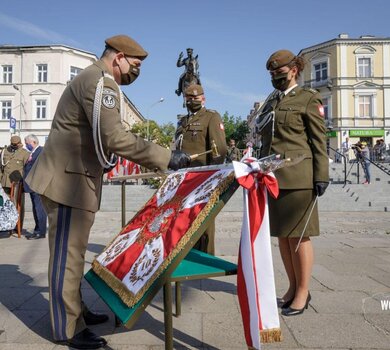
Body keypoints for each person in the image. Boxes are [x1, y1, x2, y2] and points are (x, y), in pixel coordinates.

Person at [25, 34, 190, 350]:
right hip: (67, 182)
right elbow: (114, 137)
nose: (136, 71)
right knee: (66, 258)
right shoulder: (103, 83)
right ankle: (67, 328)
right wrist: (165, 156)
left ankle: (76, 312)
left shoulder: (94, 79)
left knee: (71, 255)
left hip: (73, 179)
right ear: (119, 57)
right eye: (136, 64)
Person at [258, 50, 329, 317]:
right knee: (284, 239)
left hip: (299, 177)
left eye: (280, 72)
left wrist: (321, 175)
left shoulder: (308, 99)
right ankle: (292, 287)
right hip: (274, 177)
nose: (276, 77)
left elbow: (318, 141)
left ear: (294, 70)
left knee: (299, 238)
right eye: (272, 74)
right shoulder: (271, 102)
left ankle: (303, 292)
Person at [175, 84, 227, 254]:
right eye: (189, 99)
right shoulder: (182, 121)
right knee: (184, 216)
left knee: (203, 217)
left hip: (203, 176)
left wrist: (214, 176)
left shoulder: (211, 117)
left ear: (203, 99)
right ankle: (186, 252)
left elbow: (219, 148)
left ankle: (205, 254)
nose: (192, 101)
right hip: (184, 176)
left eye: (196, 98)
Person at [0, 135, 30, 232]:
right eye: (12, 144)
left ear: (19, 143)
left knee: (18, 206)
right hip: (5, 183)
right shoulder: (4, 151)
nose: (13, 146)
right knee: (5, 206)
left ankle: (18, 227)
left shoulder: (25, 153)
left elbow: (27, 169)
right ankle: (6, 226)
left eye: (15, 144)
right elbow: (1, 168)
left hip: (17, 184)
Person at [23, 134, 47, 240]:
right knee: (35, 209)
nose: (26, 145)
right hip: (32, 186)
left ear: (33, 142)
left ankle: (40, 232)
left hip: (37, 185)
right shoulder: (33, 152)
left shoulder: (41, 151)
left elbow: (42, 169)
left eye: (27, 143)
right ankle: (37, 229)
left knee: (39, 209)